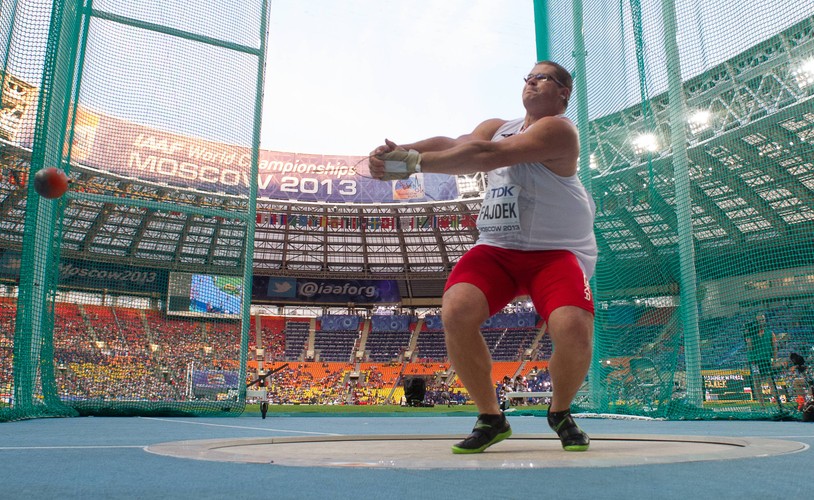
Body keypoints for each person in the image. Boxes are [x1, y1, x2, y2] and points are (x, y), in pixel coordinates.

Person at [369, 61, 597, 453]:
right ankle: (491, 418)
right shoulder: (498, 125)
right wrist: (403, 151)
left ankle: (560, 411)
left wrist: (411, 165)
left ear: (563, 93)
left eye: (543, 77)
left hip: (556, 252)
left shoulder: (560, 130)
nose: (532, 81)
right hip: (498, 247)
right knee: (456, 310)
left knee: (573, 329)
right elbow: (454, 144)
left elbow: (485, 155)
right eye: (528, 76)